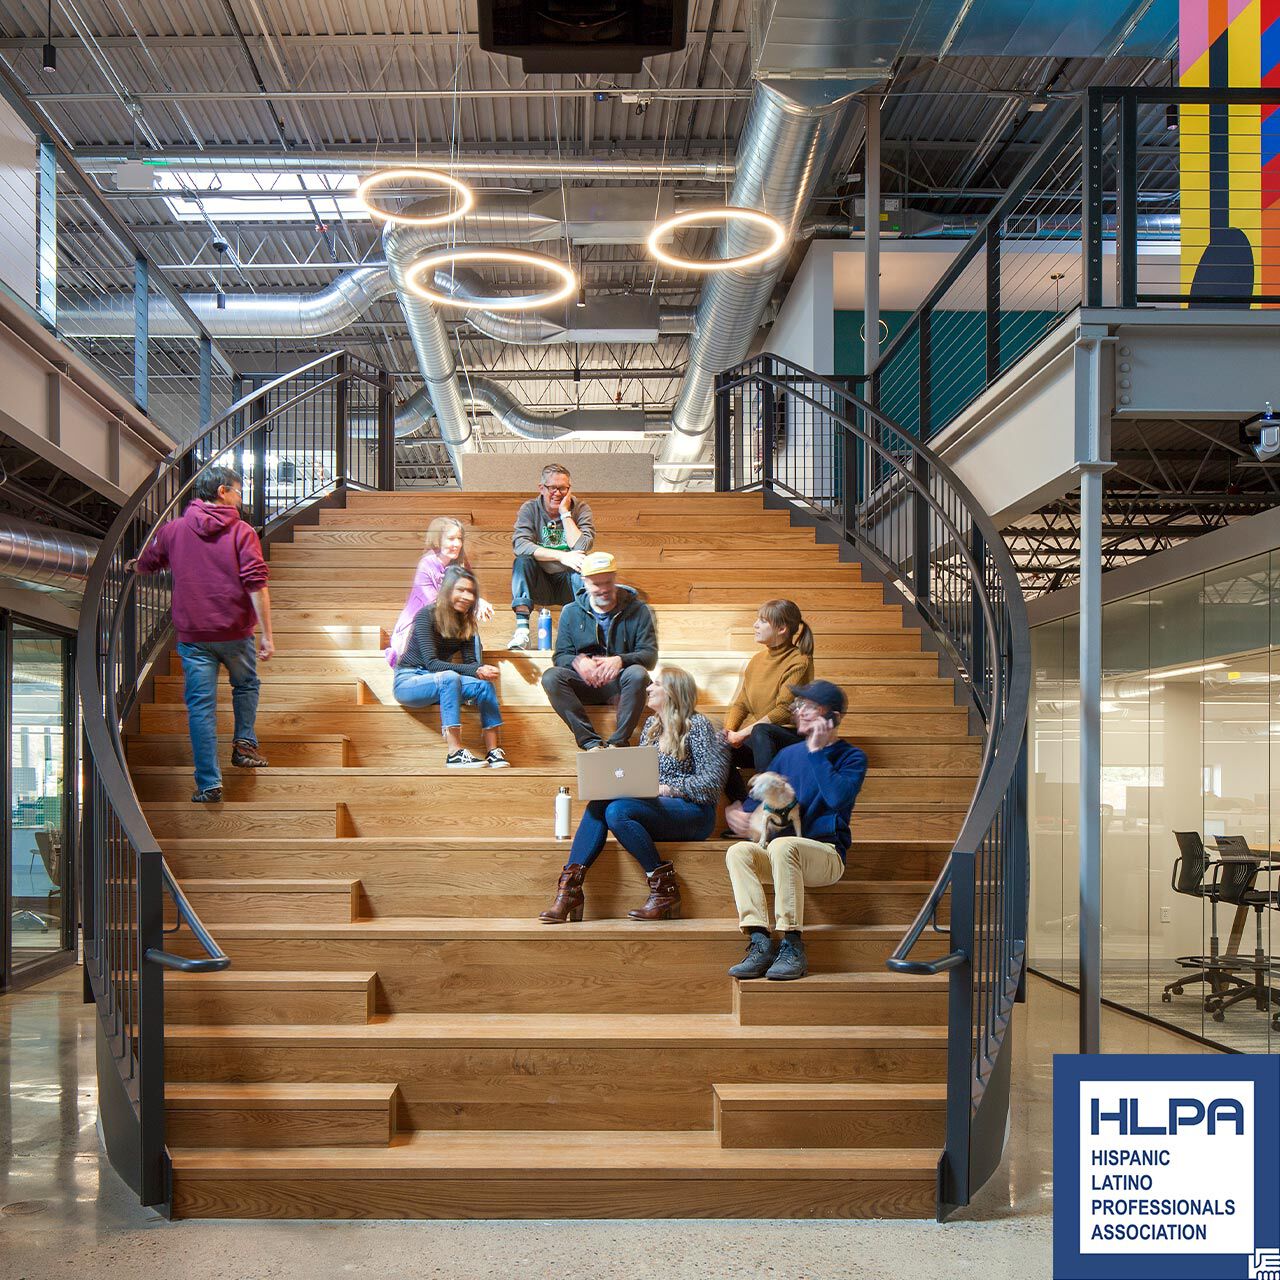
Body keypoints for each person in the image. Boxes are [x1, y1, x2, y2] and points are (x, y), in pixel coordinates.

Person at [540, 666, 727, 924]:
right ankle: (569, 891)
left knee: (617, 811)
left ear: (673, 691)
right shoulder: (651, 726)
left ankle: (663, 890)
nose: (648, 688)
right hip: (656, 807)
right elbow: (638, 775)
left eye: (656, 684)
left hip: (693, 812)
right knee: (601, 803)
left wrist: (672, 787)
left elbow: (712, 784)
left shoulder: (698, 725)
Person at [131, 465, 273, 804]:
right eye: (238, 491)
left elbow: (148, 561)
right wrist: (267, 632)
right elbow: (257, 585)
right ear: (222, 491)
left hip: (193, 636)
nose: (241, 499)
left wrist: (132, 566)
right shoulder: (242, 532)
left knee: (201, 709)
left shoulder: (173, 530)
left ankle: (209, 784)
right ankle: (244, 744)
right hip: (235, 632)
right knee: (247, 685)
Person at [722, 680, 868, 982]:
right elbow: (758, 799)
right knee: (739, 852)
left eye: (807, 706)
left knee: (782, 845)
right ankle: (760, 940)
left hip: (826, 856)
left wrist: (817, 752)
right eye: (797, 705)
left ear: (831, 717)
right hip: (782, 857)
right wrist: (742, 813)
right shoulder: (788, 756)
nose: (797, 711)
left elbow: (838, 797)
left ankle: (792, 943)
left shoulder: (852, 757)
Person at [392, 565, 509, 769]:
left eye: (471, 592)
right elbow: (432, 663)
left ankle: (493, 752)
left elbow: (472, 663)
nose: (466, 596)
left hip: (440, 682)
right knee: (449, 677)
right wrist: (476, 670)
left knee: (483, 686)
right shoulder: (426, 615)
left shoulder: (467, 624)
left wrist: (480, 671)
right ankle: (454, 753)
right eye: (460, 590)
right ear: (447, 590)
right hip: (409, 681)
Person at [541, 550, 657, 750]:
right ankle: (590, 742)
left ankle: (618, 743)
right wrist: (579, 662)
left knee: (638, 673)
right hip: (586, 683)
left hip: (623, 685)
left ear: (615, 579)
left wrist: (620, 660)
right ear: (584, 582)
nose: (603, 589)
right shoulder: (570, 611)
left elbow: (650, 656)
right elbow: (560, 656)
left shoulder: (639, 610)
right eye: (596, 584)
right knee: (551, 677)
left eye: (607, 582)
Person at [722, 599, 815, 801]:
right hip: (762, 739)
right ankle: (745, 810)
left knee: (760, 730)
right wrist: (729, 731)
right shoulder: (756, 660)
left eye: (762, 621)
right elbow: (742, 703)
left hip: (792, 738)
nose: (755, 625)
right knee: (719, 748)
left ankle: (768, 806)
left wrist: (743, 734)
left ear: (782, 629)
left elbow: (783, 711)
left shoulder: (799, 661)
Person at [508, 463, 596, 650]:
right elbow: (520, 545)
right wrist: (561, 556)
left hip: (569, 584)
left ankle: (585, 637)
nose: (557, 493)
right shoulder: (530, 509)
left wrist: (565, 513)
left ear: (569, 488)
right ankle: (522, 632)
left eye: (562, 488)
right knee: (522, 562)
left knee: (585, 566)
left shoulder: (581, 508)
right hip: (541, 584)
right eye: (552, 488)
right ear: (541, 488)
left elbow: (581, 545)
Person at [385, 516, 493, 667]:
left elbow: (468, 592)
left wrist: (478, 601)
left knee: (471, 629)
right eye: (451, 539)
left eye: (460, 539)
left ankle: (475, 670)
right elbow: (439, 603)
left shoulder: (460, 564)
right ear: (438, 540)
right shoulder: (426, 565)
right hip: (419, 627)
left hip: (447, 623)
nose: (457, 544)